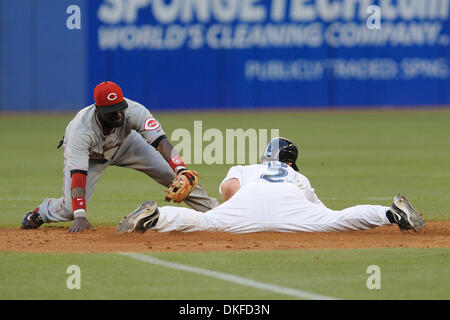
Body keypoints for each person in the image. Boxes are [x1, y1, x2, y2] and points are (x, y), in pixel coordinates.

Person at [22, 81, 219, 233]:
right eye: (111, 111)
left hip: (127, 144)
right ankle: (43, 212)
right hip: (92, 158)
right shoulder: (80, 131)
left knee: (179, 179)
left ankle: (216, 213)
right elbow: (78, 176)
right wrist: (80, 214)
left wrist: (180, 168)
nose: (118, 114)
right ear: (98, 110)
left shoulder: (134, 110)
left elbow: (161, 141)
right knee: (69, 210)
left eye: (119, 107)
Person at [117, 137, 425, 234]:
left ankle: (155, 216)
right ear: (290, 162)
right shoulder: (297, 176)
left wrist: (238, 211)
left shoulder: (250, 168)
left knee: (205, 221)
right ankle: (390, 214)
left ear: (266, 157)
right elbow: (321, 212)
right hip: (292, 209)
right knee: (335, 220)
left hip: (243, 208)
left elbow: (227, 191)